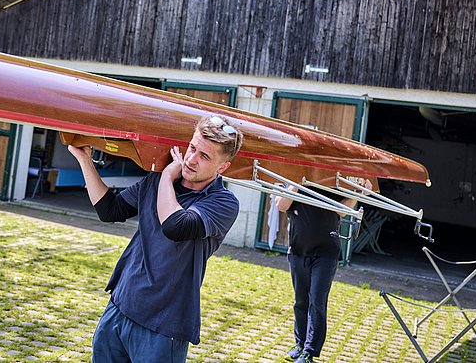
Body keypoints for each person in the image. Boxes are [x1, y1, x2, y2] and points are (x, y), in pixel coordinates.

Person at [68, 115, 243, 363]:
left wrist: (165, 178)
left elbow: (174, 225)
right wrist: (85, 160)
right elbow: (110, 211)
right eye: (192, 147)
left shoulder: (222, 203)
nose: (191, 159)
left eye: (204, 156)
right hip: (120, 305)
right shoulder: (155, 181)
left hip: (163, 325)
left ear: (222, 167)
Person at [276, 180, 372, 363]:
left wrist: (357, 193)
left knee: (317, 302)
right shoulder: (290, 180)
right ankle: (300, 344)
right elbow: (282, 205)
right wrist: (299, 180)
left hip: (326, 253)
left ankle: (309, 352)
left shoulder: (332, 183)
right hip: (298, 251)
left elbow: (340, 211)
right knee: (301, 301)